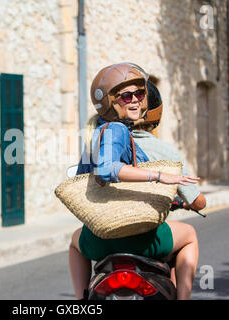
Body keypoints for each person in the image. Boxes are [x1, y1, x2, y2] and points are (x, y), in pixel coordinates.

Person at [68, 62, 206, 300]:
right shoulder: (117, 130)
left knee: (74, 244)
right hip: (138, 237)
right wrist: (161, 176)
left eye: (139, 94)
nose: (134, 100)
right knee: (190, 235)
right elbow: (108, 169)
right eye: (125, 96)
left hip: (98, 240)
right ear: (111, 102)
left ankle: (82, 301)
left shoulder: (95, 135)